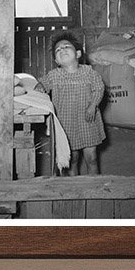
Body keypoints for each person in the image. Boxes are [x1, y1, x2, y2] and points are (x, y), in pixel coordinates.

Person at [36, 31, 106, 176]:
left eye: (66, 46)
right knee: (72, 159)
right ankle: (75, 187)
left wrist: (93, 105)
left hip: (88, 120)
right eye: (58, 50)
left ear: (78, 54)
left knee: (91, 158)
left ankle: (95, 186)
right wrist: (39, 89)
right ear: (56, 60)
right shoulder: (54, 75)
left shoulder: (89, 72)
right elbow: (41, 86)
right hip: (66, 124)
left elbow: (99, 88)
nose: (62, 50)